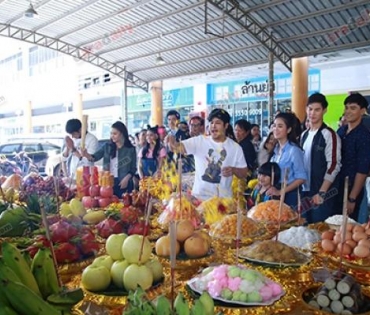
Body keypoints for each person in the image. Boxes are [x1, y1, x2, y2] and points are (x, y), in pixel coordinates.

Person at [166, 108, 248, 201]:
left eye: (217, 123)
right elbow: (177, 147)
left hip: (222, 202)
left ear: (226, 126)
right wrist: (172, 140)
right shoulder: (199, 141)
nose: (213, 126)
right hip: (198, 199)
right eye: (211, 122)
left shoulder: (235, 148)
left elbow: (244, 173)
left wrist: (234, 170)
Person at [300, 93, 342, 223]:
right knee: (304, 229)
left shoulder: (329, 135)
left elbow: (334, 164)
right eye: (310, 109)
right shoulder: (304, 135)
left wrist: (322, 191)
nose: (312, 113)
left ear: (324, 110)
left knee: (320, 229)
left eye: (317, 109)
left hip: (322, 192)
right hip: (304, 191)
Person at [335, 93, 370, 221]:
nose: (348, 111)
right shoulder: (341, 131)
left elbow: (363, 170)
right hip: (336, 186)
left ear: (362, 111)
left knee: (348, 227)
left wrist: (352, 197)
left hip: (351, 188)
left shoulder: (364, 136)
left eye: (353, 108)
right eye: (346, 107)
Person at [82, 121, 137, 196]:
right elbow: (94, 157)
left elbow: (133, 168)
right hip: (107, 182)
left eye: (115, 134)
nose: (112, 136)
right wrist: (86, 155)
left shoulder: (131, 149)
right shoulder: (107, 146)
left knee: (125, 205)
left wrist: (126, 179)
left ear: (122, 134)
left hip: (125, 182)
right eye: (111, 133)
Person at [267, 112, 307, 208]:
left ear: (288, 129)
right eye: (274, 126)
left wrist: (281, 191)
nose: (275, 129)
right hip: (276, 193)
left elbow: (301, 178)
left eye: (280, 126)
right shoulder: (275, 150)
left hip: (291, 196)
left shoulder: (294, 150)